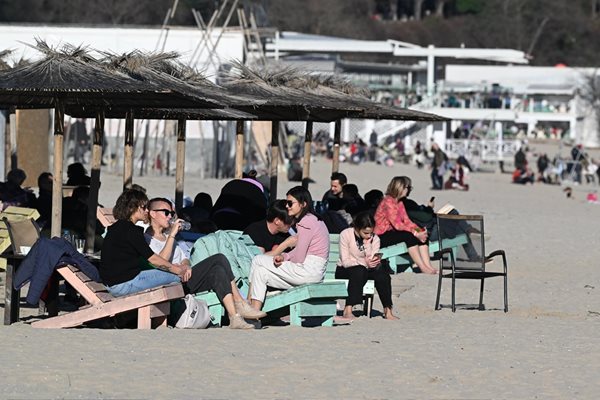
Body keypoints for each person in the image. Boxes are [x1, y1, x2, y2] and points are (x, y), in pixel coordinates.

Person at [99, 189, 263, 329]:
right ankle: (239, 306)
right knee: (183, 274)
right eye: (144, 207)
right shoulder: (132, 231)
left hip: (120, 282)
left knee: (218, 264)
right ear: (133, 208)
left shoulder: (119, 229)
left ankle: (236, 312)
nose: (146, 211)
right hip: (125, 284)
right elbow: (154, 260)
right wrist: (177, 269)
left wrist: (183, 266)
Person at [249, 186, 329, 311]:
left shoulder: (306, 222)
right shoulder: (314, 220)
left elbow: (299, 258)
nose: (287, 206)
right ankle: (254, 315)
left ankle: (247, 302)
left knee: (258, 260)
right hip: (312, 272)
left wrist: (285, 260)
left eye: (290, 203)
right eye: (287, 202)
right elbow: (300, 250)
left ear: (303, 204)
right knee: (261, 272)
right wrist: (284, 256)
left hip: (308, 270)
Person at [336, 212, 397, 320]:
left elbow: (371, 257)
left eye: (371, 232)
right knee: (359, 270)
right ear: (357, 228)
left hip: (366, 269)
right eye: (365, 233)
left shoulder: (375, 239)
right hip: (346, 269)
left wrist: (368, 247)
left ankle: (388, 309)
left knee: (382, 274)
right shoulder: (346, 234)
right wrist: (364, 263)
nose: (369, 235)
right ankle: (348, 308)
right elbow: (345, 261)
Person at [374, 176, 437, 274]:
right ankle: (422, 267)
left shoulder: (399, 203)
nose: (408, 190)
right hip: (381, 236)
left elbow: (407, 221)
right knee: (409, 236)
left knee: (423, 234)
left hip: (392, 232)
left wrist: (419, 231)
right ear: (400, 188)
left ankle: (428, 266)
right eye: (407, 188)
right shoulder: (388, 202)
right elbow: (397, 225)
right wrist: (415, 233)